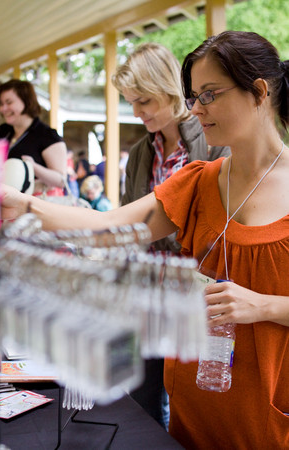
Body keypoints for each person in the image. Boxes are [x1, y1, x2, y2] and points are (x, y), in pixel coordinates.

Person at [1, 30, 289, 449]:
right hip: (192, 415)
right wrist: (21, 206)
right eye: (193, 97)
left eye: (209, 95)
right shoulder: (197, 180)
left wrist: (262, 305)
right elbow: (110, 229)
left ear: (259, 92)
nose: (196, 109)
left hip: (266, 421)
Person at [111, 42, 230, 429]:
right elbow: (132, 230)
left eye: (143, 100)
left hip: (192, 302)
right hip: (146, 300)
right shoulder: (140, 153)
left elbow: (213, 222)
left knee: (188, 407)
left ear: (167, 88)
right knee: (141, 403)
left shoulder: (214, 142)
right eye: (130, 102)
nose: (137, 111)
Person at [0, 79, 67, 196]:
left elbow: (61, 180)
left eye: (9, 103)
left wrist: (33, 167)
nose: (3, 109)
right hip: (5, 204)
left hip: (35, 205)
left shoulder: (47, 135)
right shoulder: (3, 131)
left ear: (26, 101)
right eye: (1, 104)